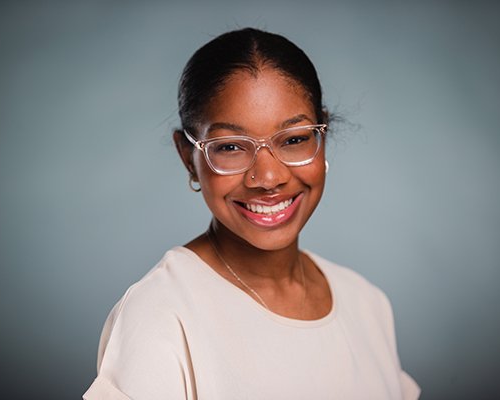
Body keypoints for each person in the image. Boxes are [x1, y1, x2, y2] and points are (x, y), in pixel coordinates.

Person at [83, 27, 420, 399]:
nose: (268, 177)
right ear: (188, 158)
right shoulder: (161, 315)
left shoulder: (365, 303)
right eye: (230, 147)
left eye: (294, 139)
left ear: (321, 137)